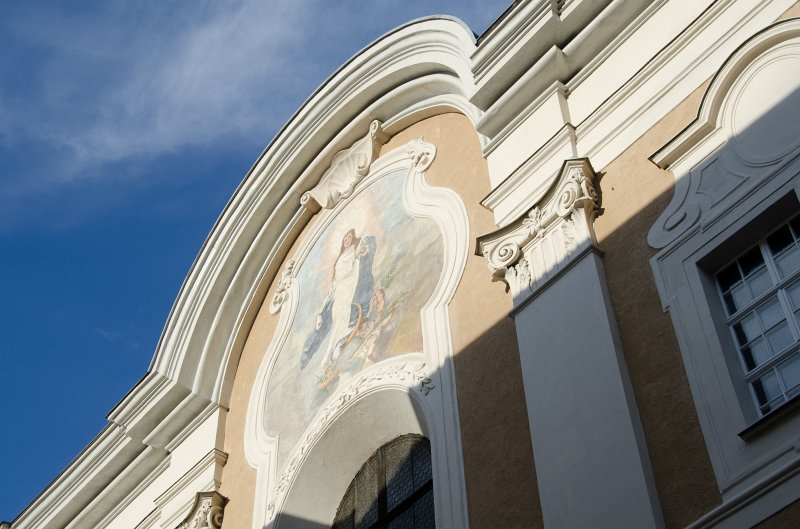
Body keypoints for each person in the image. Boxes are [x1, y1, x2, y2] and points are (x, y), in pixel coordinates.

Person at [299, 228, 376, 369]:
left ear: (352, 239)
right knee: (337, 322)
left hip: (346, 292)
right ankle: (330, 352)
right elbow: (337, 278)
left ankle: (336, 347)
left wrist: (357, 255)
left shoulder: (351, 254)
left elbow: (346, 272)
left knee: (342, 321)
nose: (347, 240)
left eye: (349, 238)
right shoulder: (345, 255)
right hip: (340, 292)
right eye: (345, 238)